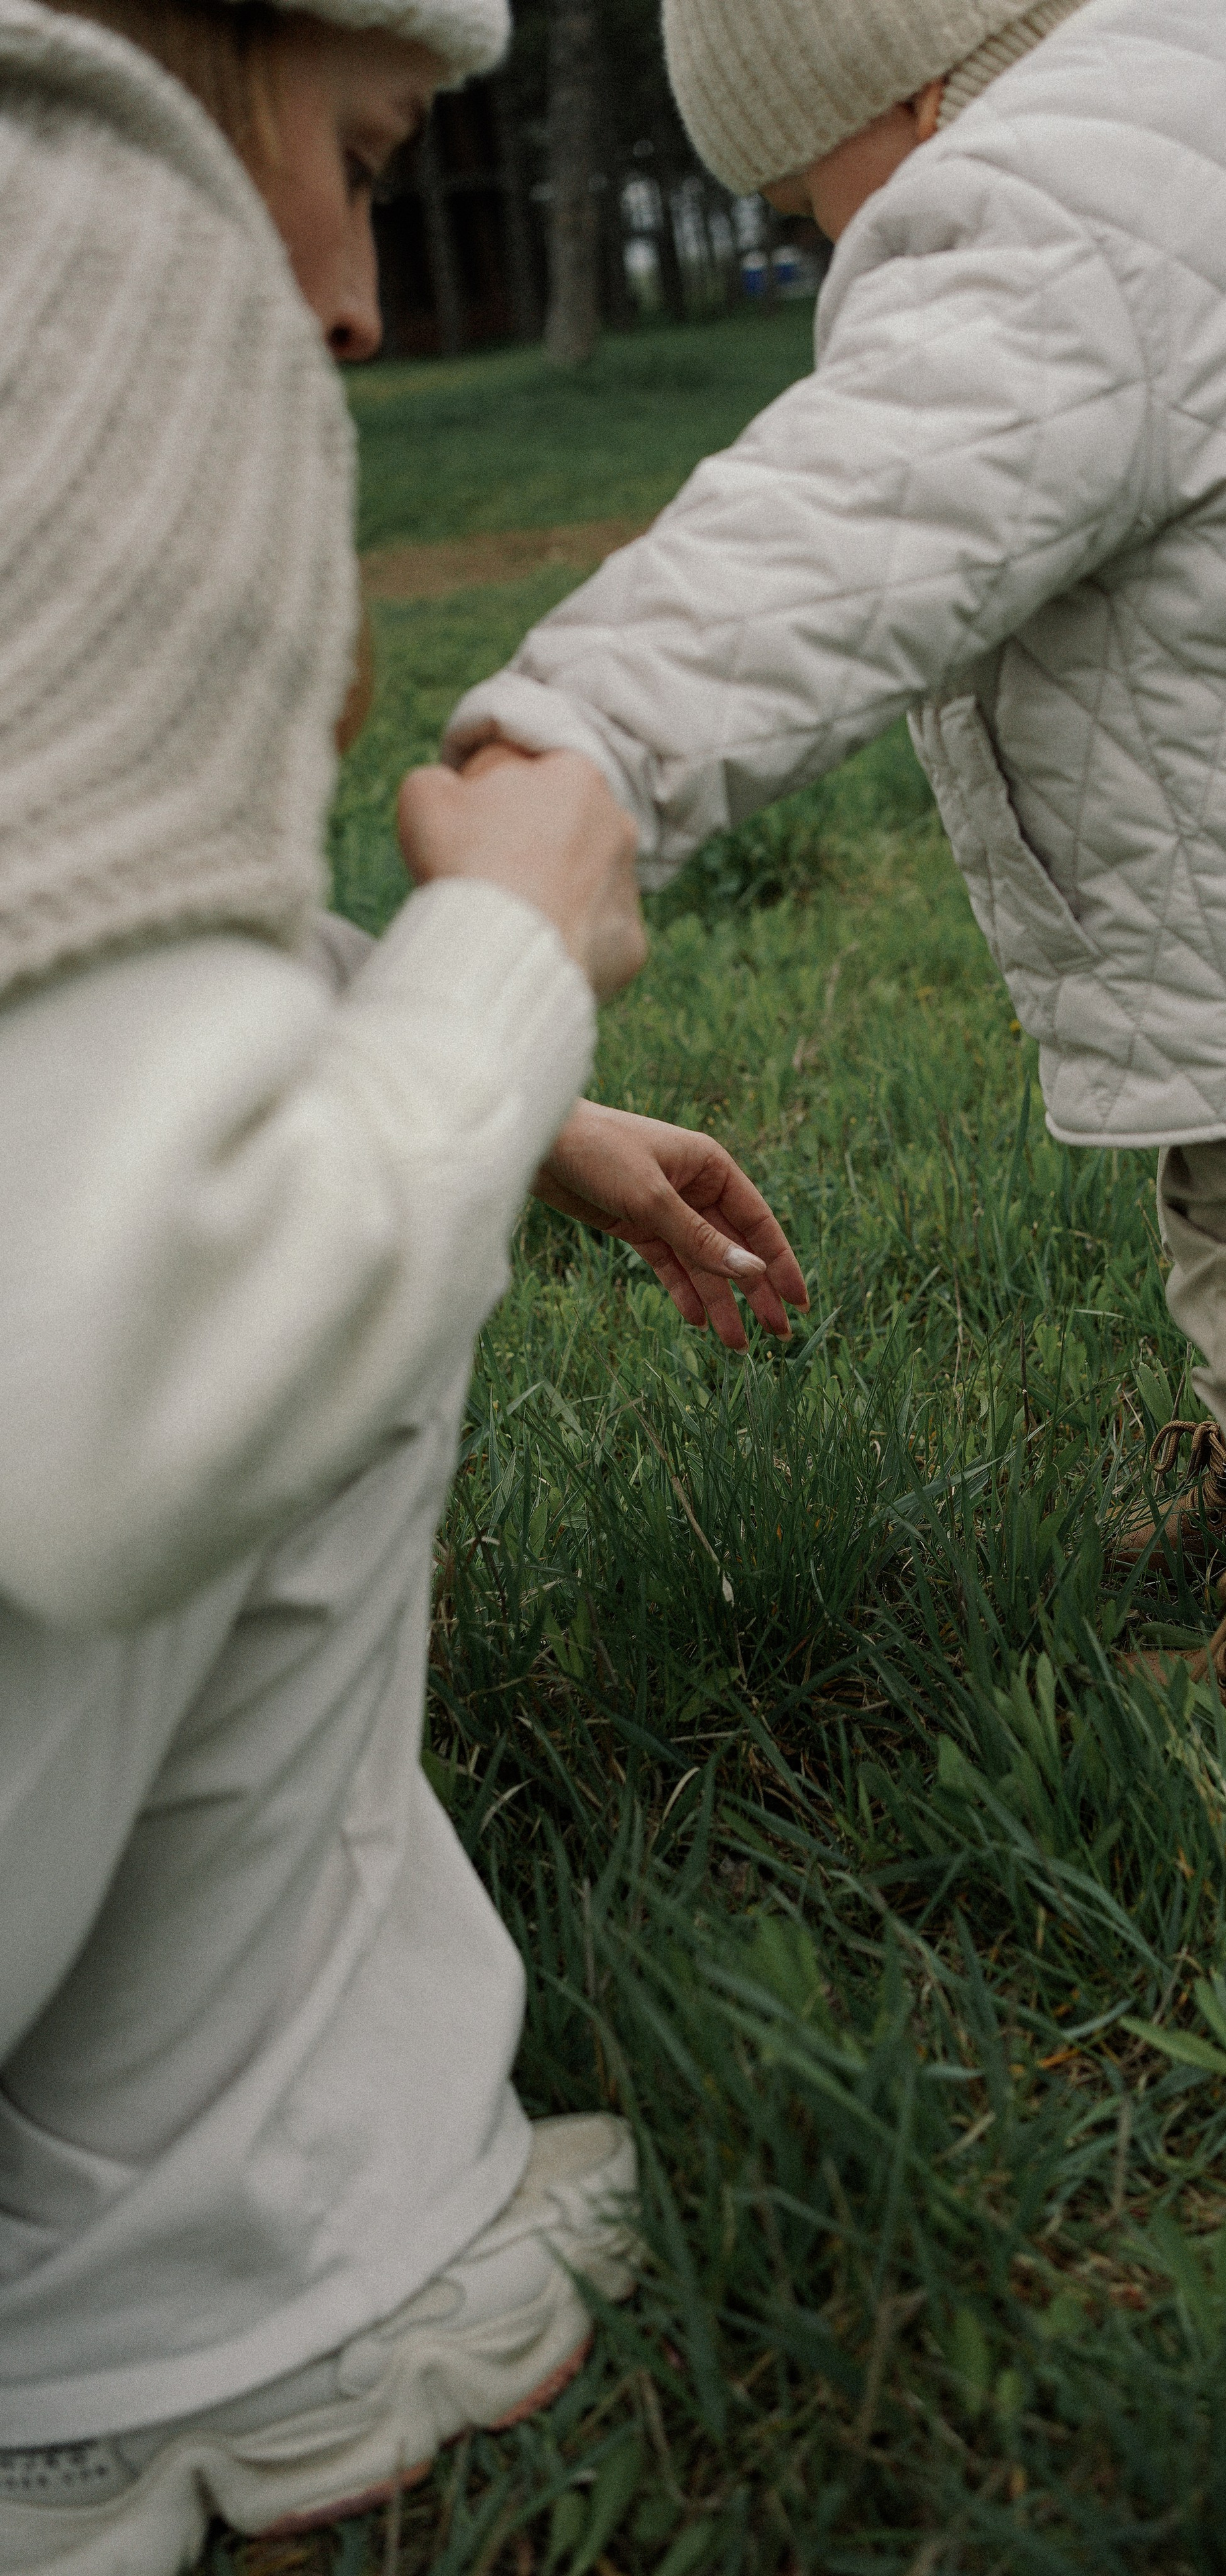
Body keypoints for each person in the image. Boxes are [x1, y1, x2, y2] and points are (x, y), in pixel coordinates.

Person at [447, 0, 1226, 1791]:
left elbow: (838, 530)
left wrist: (574, 742)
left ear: (905, 89)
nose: (822, 249)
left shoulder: (1043, 217)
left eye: (807, 205)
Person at [0, 1, 805, 2567]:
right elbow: (136, 1391)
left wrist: (474, 1083)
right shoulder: (89, 218)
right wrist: (511, 967)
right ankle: (207, 2286)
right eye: (362, 153)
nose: (347, 293)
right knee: (360, 1296)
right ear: (200, 39)